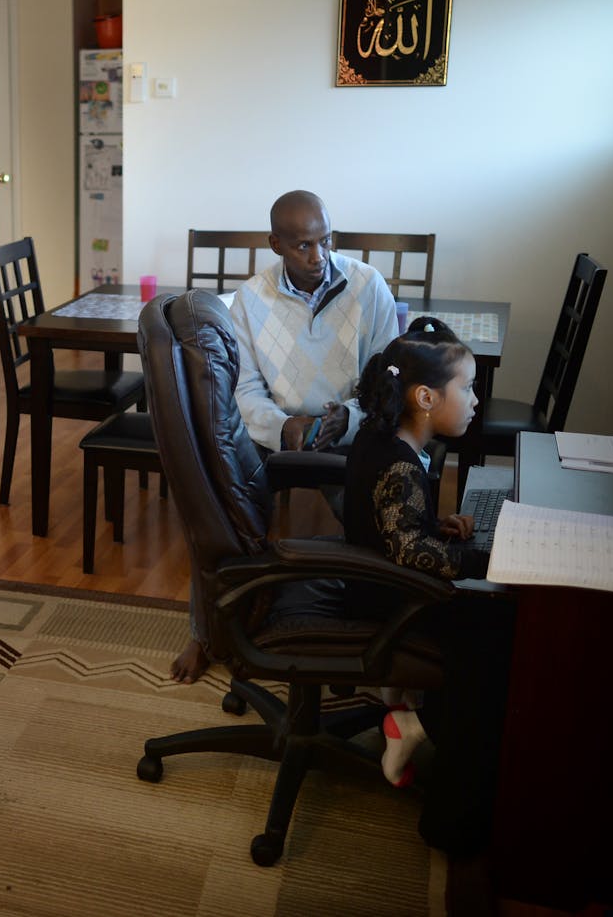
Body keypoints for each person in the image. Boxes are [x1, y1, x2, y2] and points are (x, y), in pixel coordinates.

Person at [172, 189, 399, 683]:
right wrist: (282, 426)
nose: (318, 256)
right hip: (276, 432)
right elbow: (245, 388)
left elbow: (387, 378)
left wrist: (351, 418)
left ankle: (375, 628)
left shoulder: (368, 285)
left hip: (347, 430)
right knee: (217, 503)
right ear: (275, 244)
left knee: (378, 518)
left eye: (325, 240)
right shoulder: (249, 299)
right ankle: (207, 631)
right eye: (302, 246)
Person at [346, 317, 514, 856]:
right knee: (496, 628)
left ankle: (418, 720)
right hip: (389, 599)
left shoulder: (384, 436)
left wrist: (435, 525)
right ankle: (416, 728)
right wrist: (479, 556)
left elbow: (397, 526)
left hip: (380, 581)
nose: (474, 401)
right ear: (424, 397)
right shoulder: (400, 461)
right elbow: (408, 553)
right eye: (466, 388)